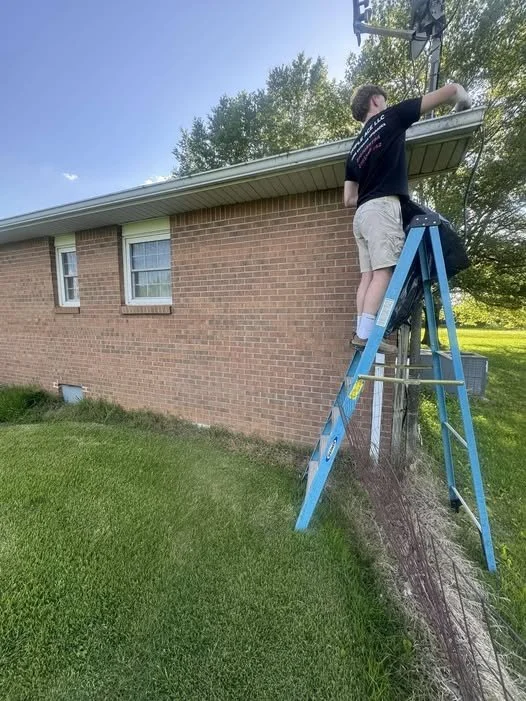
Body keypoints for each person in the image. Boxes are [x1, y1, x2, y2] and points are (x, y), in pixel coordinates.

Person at [344, 82, 472, 353]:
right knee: (384, 273)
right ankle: (365, 336)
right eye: (384, 100)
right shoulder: (389, 118)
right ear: (376, 101)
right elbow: (451, 90)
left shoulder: (355, 149)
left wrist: (369, 191)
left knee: (367, 277)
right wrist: (462, 102)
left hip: (361, 215)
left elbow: (348, 198)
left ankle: (361, 332)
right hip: (381, 208)